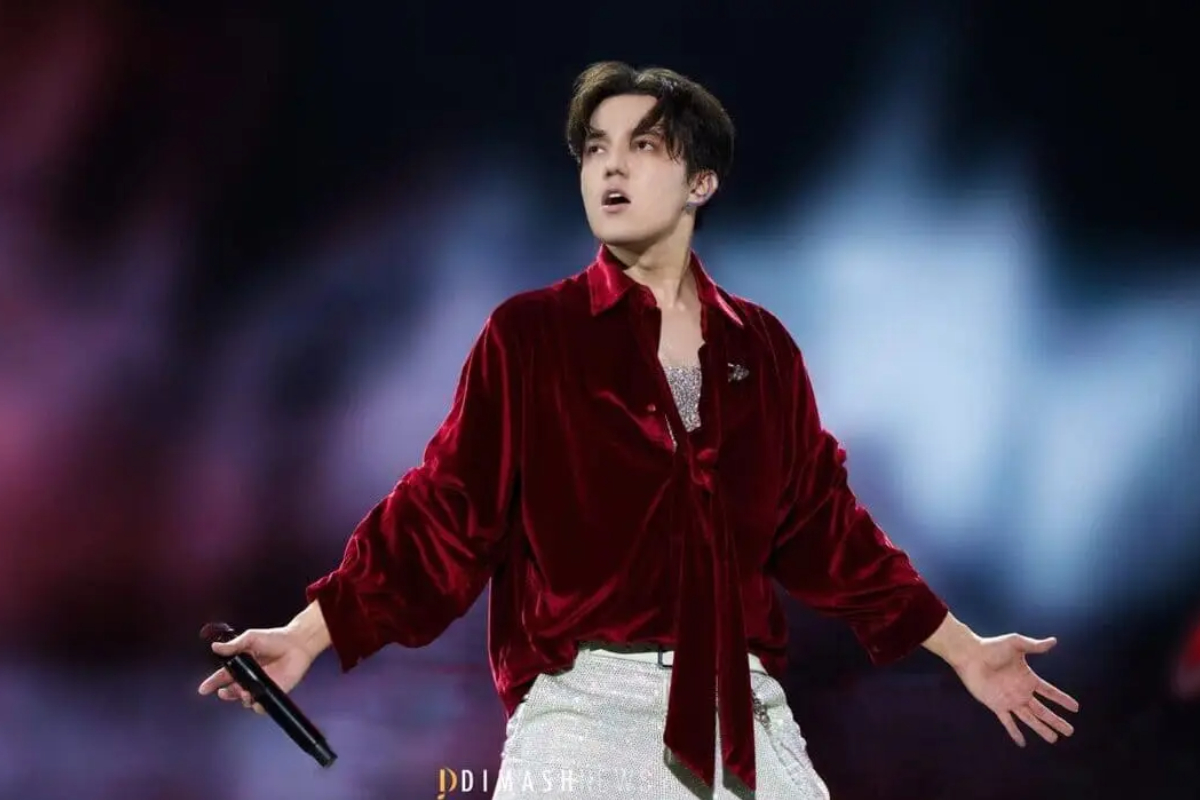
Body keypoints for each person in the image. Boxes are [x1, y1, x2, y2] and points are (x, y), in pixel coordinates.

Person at [198, 61, 1080, 798]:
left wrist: (967, 652)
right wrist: (307, 636)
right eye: (595, 148)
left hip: (746, 716)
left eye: (643, 146)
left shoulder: (762, 349)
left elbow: (827, 531)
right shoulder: (531, 338)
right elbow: (444, 511)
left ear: (702, 181)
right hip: (586, 718)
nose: (610, 168)